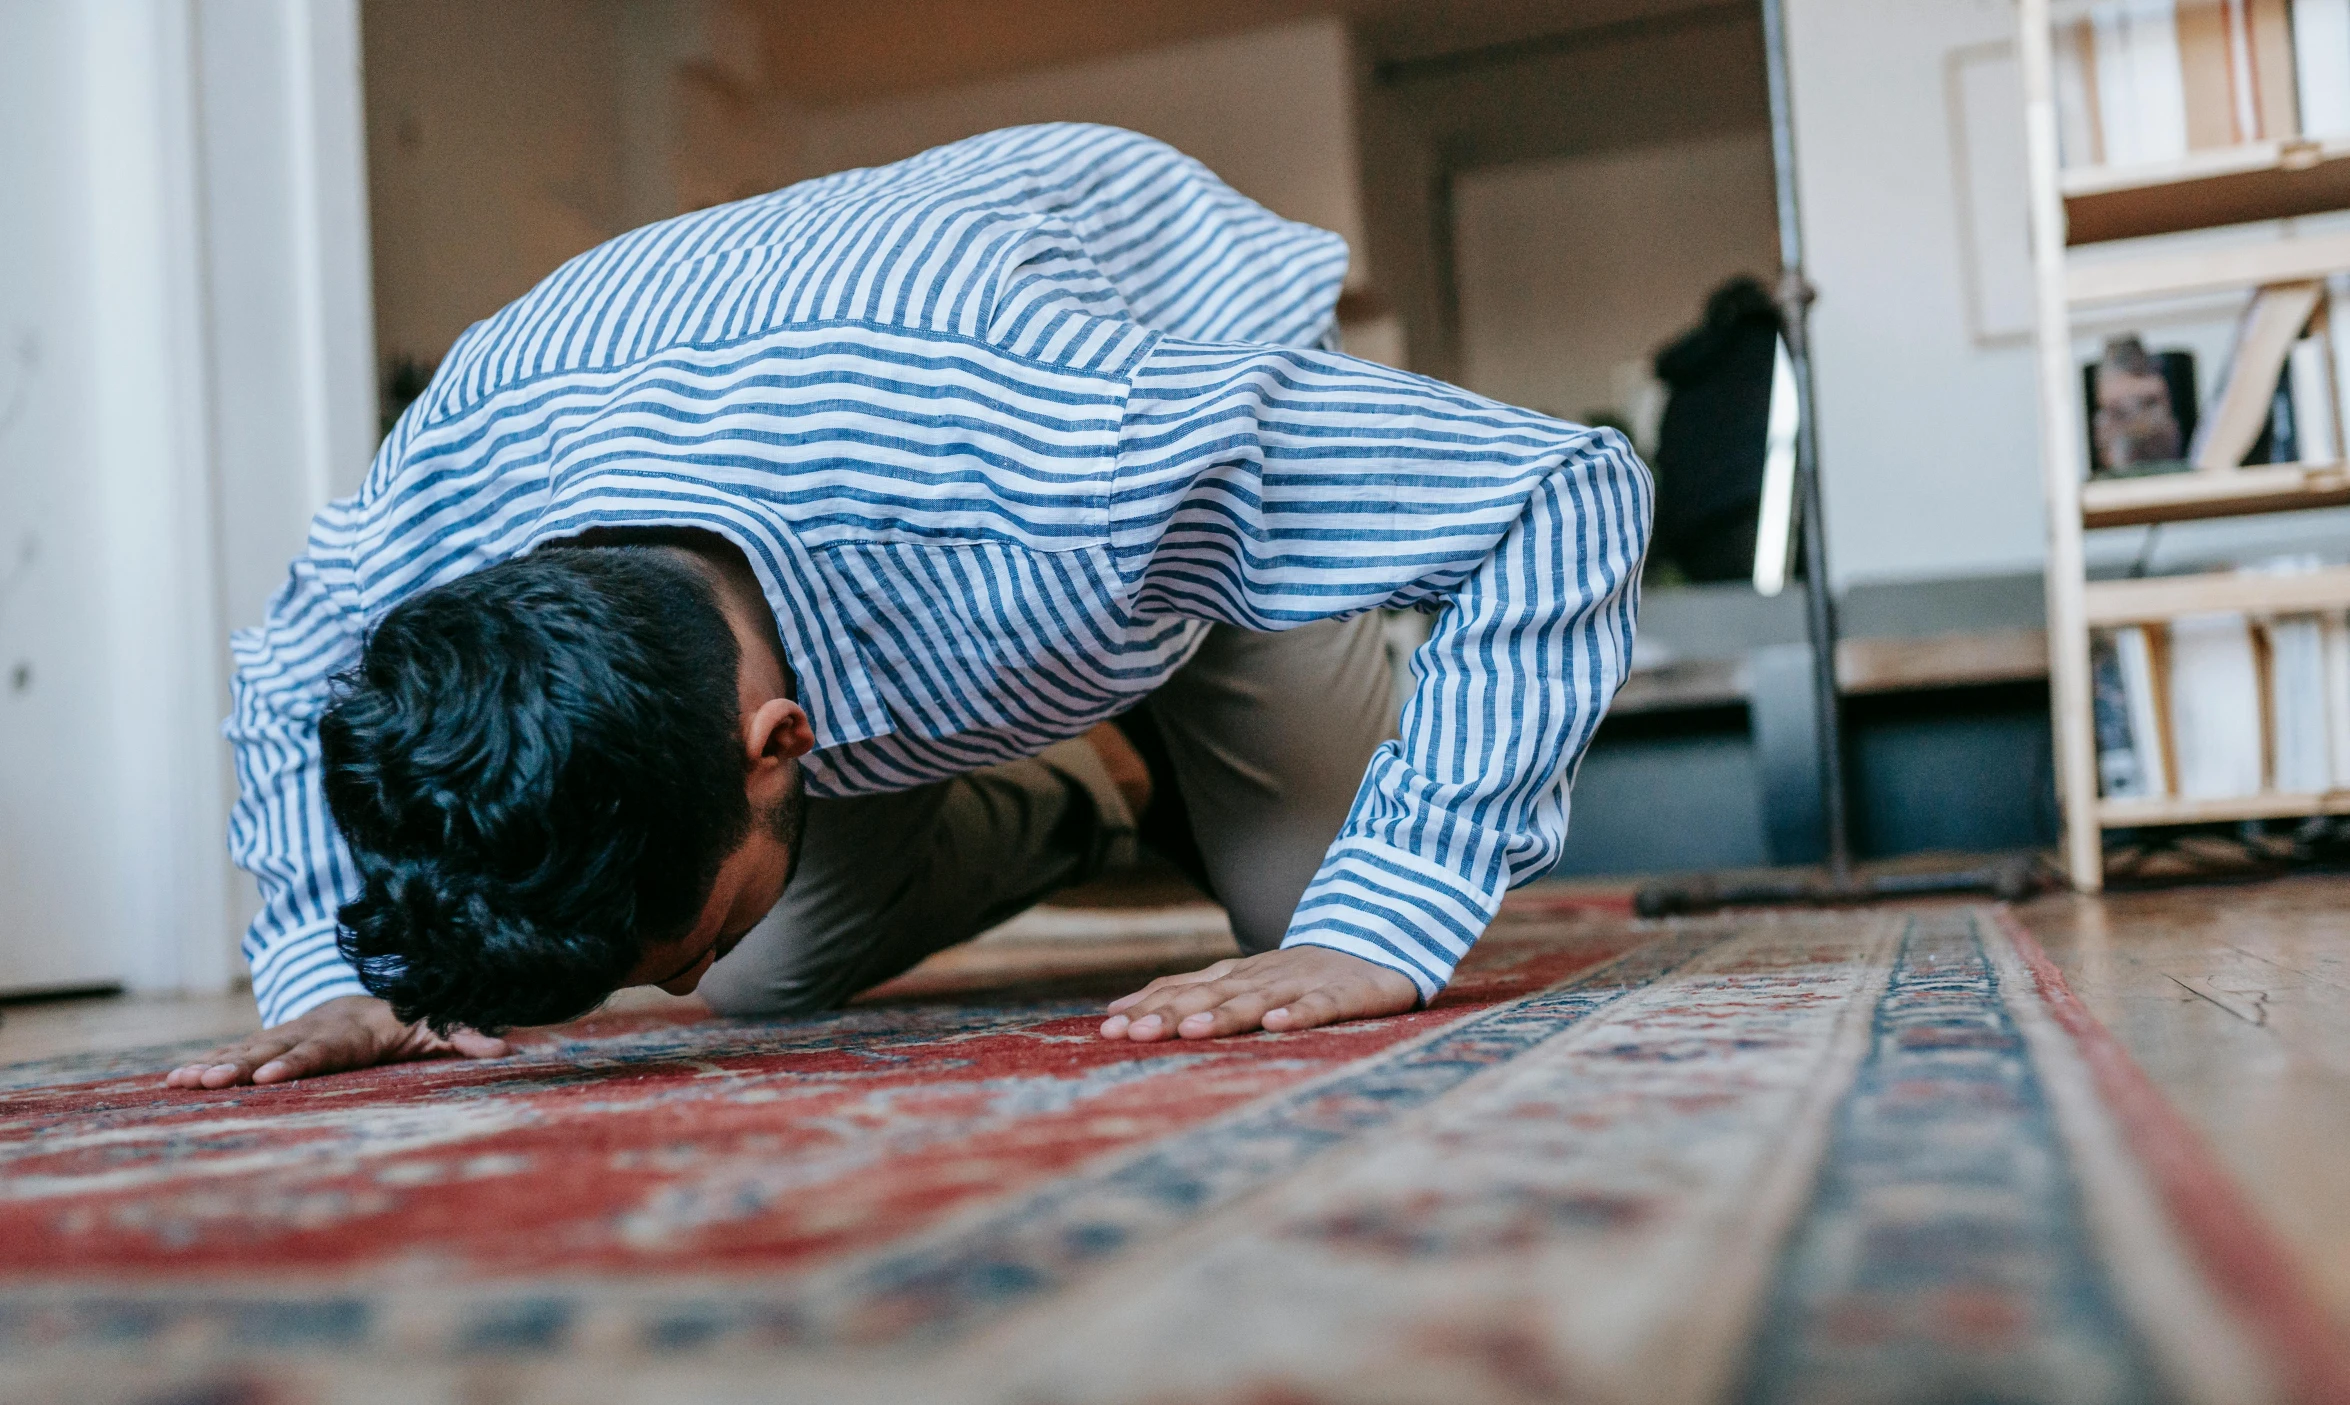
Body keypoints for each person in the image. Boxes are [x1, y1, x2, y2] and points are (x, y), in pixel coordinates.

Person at [168, 123, 1648, 1091]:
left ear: (778, 740)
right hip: (823, 491)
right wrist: (325, 967)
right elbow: (290, 667)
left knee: (1325, 928)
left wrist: (1383, 918)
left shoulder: (1089, 453)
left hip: (1137, 392)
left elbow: (1560, 492)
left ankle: (1161, 705)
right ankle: (1102, 782)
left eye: (658, 953)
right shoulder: (458, 498)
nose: (662, 983)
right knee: (762, 975)